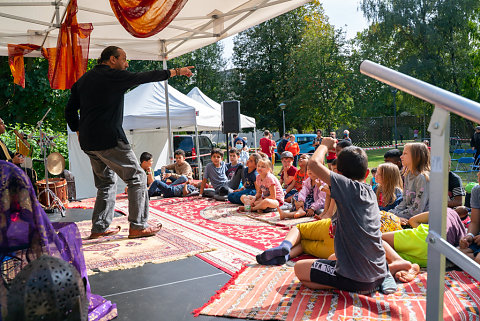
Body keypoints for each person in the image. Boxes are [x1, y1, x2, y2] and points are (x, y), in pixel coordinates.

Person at [65, 45, 194, 239]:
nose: (127, 64)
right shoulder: (114, 76)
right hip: (109, 138)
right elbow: (144, 77)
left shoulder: (82, 81)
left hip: (89, 143)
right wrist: (175, 71)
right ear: (112, 59)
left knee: (106, 183)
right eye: (124, 59)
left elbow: (69, 110)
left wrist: (77, 129)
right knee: (138, 178)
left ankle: (99, 229)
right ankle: (138, 226)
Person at [294, 138, 388, 293]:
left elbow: (313, 165)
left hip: (358, 279)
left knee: (300, 269)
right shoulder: (369, 191)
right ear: (366, 173)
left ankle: (344, 285)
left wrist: (324, 145)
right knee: (332, 257)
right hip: (378, 273)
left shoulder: (347, 186)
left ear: (338, 174)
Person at [383, 208, 465, 271]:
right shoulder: (462, 231)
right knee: (388, 255)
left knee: (375, 240)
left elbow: (412, 220)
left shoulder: (447, 210)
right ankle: (413, 267)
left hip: (428, 238)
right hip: (433, 258)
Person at [389, 143, 430, 223]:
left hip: (421, 223)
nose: (401, 157)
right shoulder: (408, 174)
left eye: (405, 154)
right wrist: (391, 213)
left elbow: (417, 210)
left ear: (417, 157)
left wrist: (395, 216)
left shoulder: (422, 178)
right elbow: (404, 201)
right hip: (408, 216)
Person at [0, 118, 36, 185]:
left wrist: (19, 154)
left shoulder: (1, 141)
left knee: (30, 171)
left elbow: (9, 154)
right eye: (1, 123)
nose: (4, 125)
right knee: (28, 172)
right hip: (3, 174)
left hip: (8, 169)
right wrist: (12, 161)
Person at [460, 171, 480, 263]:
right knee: (455, 253)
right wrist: (469, 236)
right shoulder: (477, 190)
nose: (478, 174)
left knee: (477, 260)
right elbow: (475, 222)